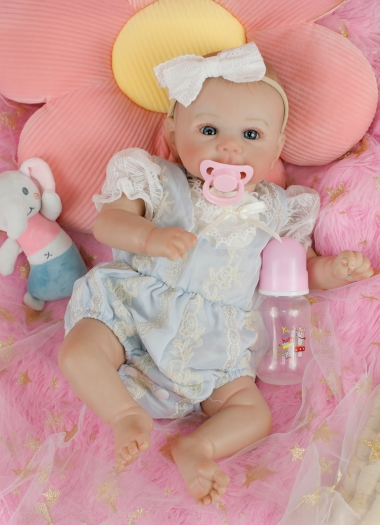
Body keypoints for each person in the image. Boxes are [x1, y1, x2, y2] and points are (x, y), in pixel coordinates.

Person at [58, 43, 374, 506]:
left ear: (277, 148)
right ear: (172, 131)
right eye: (209, 130)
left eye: (251, 134)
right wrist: (149, 237)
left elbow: (291, 274)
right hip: (135, 308)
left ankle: (199, 447)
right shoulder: (156, 179)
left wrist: (330, 271)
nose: (229, 146)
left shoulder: (277, 210)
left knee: (252, 413)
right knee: (78, 351)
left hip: (214, 339)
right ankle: (124, 414)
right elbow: (108, 222)